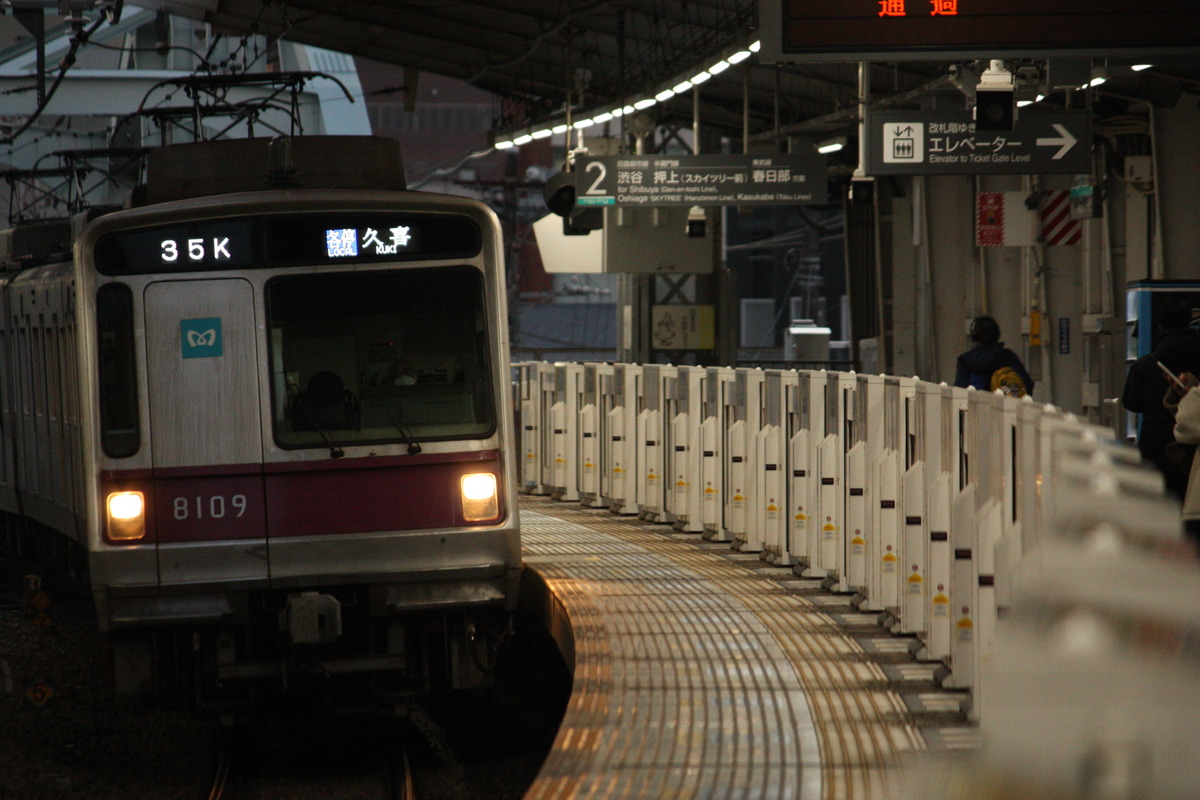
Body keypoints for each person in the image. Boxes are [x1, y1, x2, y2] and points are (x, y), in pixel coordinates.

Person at [1121, 299, 1200, 502]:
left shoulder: (1145, 365)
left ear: (1160, 326)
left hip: (1156, 449)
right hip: (1194, 451)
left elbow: (1131, 402)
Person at [953, 315, 1034, 397]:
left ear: (975, 336)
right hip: (1005, 406)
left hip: (976, 406)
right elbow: (1026, 384)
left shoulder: (966, 360)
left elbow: (959, 391)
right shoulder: (1007, 356)